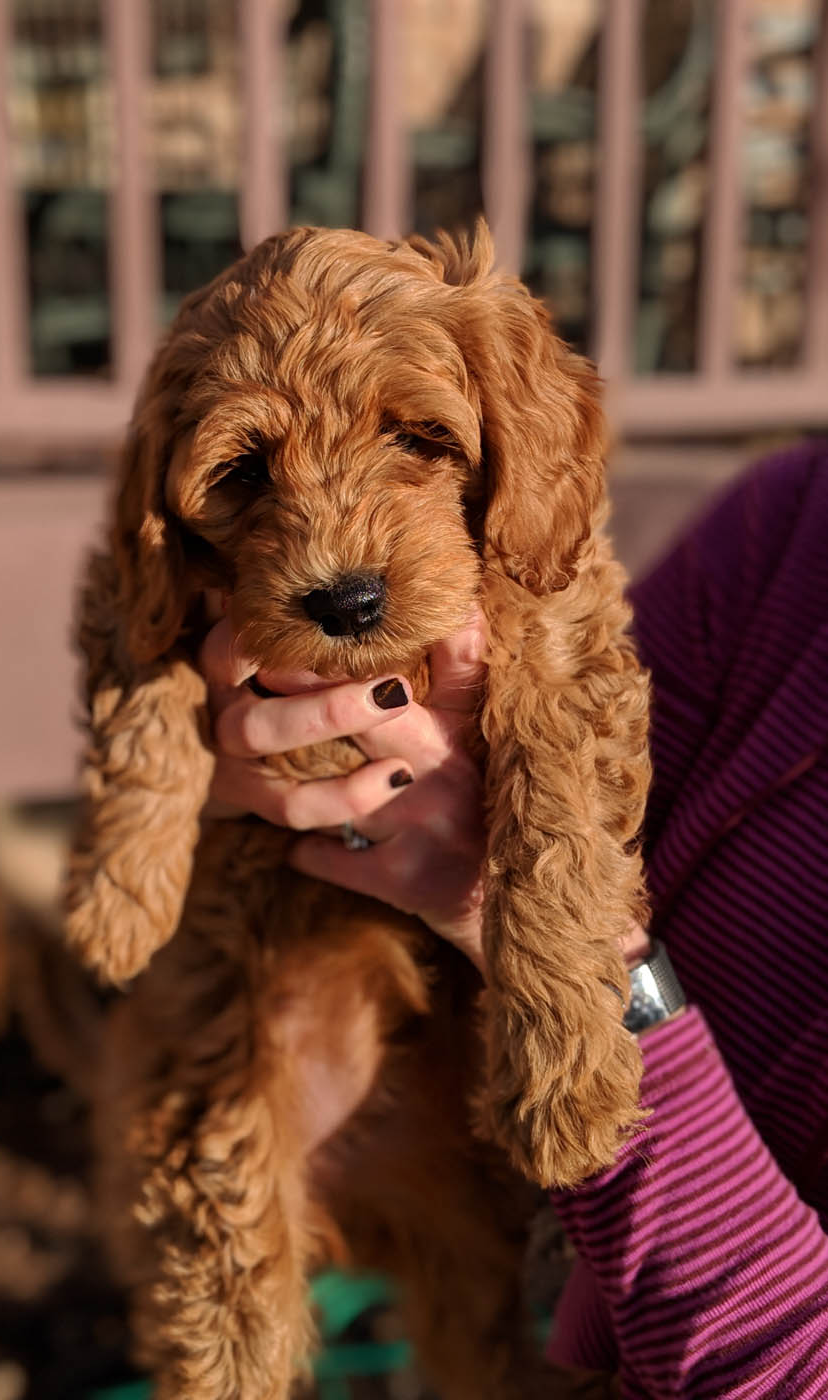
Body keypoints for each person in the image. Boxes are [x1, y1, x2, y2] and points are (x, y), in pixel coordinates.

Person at [199, 441, 828, 1397]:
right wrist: (326, 763)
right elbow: (586, 713)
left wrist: (550, 939)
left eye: (413, 441)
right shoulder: (797, 520)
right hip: (497, 1222)